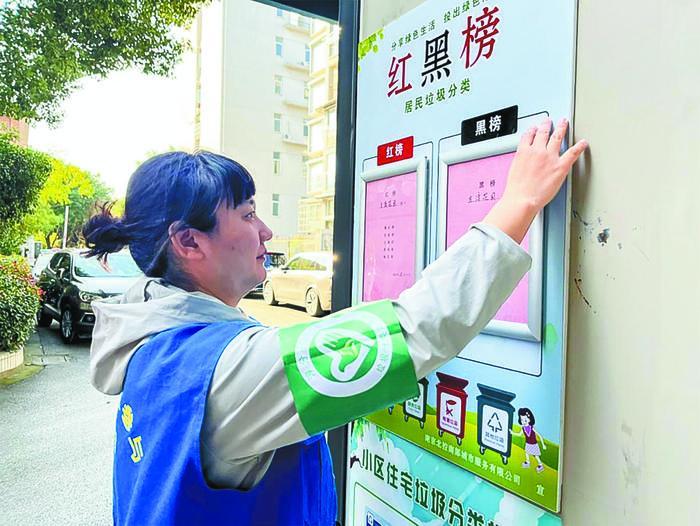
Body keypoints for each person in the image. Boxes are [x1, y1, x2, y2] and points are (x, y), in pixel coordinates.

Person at [82, 118, 587, 525]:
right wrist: (518, 203)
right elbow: (414, 329)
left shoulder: (154, 342)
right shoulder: (224, 372)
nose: (266, 231)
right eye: (248, 215)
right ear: (189, 242)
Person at [511, 407, 547, 473]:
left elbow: (539, 436)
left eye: (525, 420)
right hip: (528, 443)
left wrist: (543, 445)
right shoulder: (523, 428)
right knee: (527, 452)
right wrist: (512, 433)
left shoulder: (532, 427)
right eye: (522, 420)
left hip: (534, 443)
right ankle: (527, 462)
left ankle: (540, 464)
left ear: (530, 419)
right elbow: (519, 434)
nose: (523, 422)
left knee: (535, 455)